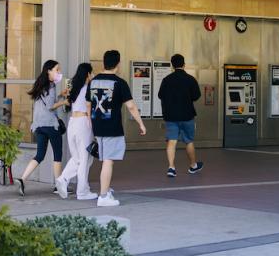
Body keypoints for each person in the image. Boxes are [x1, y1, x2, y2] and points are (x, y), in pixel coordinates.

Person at [87, 49, 146, 207]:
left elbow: (88, 105)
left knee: (105, 159)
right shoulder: (120, 83)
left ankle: (105, 189)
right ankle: (103, 196)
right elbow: (131, 106)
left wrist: (91, 122)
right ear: (117, 64)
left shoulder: (93, 82)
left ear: (104, 62)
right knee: (108, 161)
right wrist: (141, 123)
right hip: (112, 127)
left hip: (97, 126)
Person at [16, 59, 68, 196]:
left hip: (39, 126)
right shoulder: (50, 86)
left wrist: (60, 95)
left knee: (39, 155)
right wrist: (64, 101)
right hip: (51, 125)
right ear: (49, 71)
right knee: (57, 155)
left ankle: (22, 179)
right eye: (57, 70)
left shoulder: (40, 85)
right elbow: (50, 106)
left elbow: (46, 102)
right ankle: (58, 186)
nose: (59, 72)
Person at [55, 63, 98, 201]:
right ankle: (82, 192)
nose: (92, 76)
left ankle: (63, 178)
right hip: (83, 123)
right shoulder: (87, 89)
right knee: (85, 159)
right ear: (87, 74)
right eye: (91, 73)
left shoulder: (74, 89)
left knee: (78, 158)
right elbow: (90, 108)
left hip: (72, 122)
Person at [157, 53, 203, 177]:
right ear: (184, 64)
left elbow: (160, 95)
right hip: (187, 115)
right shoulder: (190, 79)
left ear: (172, 65)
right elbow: (196, 96)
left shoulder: (167, 80)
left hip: (171, 116)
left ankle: (171, 168)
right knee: (189, 141)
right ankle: (193, 166)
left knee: (172, 141)